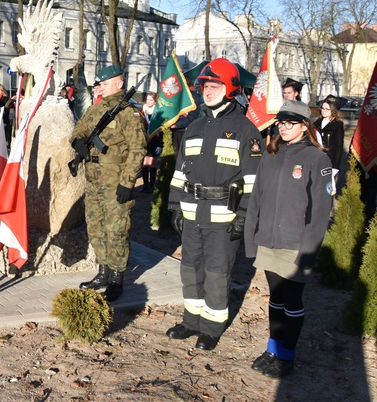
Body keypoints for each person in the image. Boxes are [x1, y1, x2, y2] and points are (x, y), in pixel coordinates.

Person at [166, 58, 263, 351]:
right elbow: (180, 171)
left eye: (215, 85)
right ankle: (190, 322)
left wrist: (245, 215)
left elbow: (255, 180)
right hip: (192, 211)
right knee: (190, 268)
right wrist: (174, 206)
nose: (208, 91)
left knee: (218, 272)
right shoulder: (193, 128)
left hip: (225, 215)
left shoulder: (246, 130)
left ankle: (211, 328)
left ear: (230, 88)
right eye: (206, 86)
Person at [244, 99, 332, 379]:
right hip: (268, 239)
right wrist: (251, 237)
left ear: (305, 126)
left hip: (296, 244)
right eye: (281, 122)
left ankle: (287, 356)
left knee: (292, 301)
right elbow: (256, 198)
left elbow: (320, 213)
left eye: (290, 123)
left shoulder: (318, 159)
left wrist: (308, 252)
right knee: (276, 299)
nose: (283, 127)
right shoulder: (270, 154)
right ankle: (273, 349)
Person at [70, 64, 147, 302]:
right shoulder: (94, 110)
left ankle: (116, 278)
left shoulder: (128, 113)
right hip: (93, 181)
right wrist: (78, 143)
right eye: (99, 83)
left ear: (120, 83)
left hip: (116, 181)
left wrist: (127, 182)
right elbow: (78, 130)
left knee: (117, 230)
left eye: (105, 83)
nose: (100, 86)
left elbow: (137, 149)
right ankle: (103, 272)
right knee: (96, 228)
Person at [314, 95, 344, 171]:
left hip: (330, 159)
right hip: (316, 157)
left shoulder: (337, 124)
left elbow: (339, 146)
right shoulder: (317, 122)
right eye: (322, 108)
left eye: (327, 109)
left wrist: (336, 166)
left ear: (333, 110)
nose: (323, 111)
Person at [140, 92, 161, 193]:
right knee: (145, 163)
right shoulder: (142, 110)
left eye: (151, 100)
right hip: (145, 140)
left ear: (155, 101)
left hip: (155, 140)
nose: (148, 102)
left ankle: (151, 186)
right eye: (147, 99)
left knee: (152, 163)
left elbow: (161, 129)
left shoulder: (158, 111)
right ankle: (145, 185)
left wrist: (160, 144)